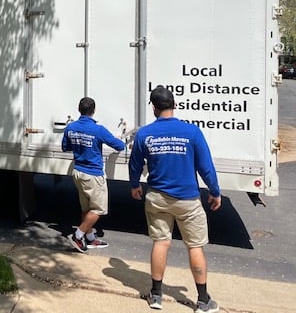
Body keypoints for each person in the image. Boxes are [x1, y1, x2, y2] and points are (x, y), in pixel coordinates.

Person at [129, 85, 221, 313]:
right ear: (174, 105)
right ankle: (202, 300)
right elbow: (205, 166)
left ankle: (157, 295)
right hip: (187, 200)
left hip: (157, 197)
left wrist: (134, 185)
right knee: (195, 246)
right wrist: (215, 190)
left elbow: (135, 164)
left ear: (153, 107)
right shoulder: (192, 132)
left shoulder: (144, 133)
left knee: (161, 242)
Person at [62, 97, 125, 252]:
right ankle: (78, 235)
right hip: (93, 175)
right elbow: (120, 146)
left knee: (86, 208)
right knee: (98, 210)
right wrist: (118, 138)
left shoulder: (71, 127)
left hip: (78, 172)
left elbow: (65, 147)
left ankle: (90, 239)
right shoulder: (98, 129)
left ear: (79, 110)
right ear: (93, 111)